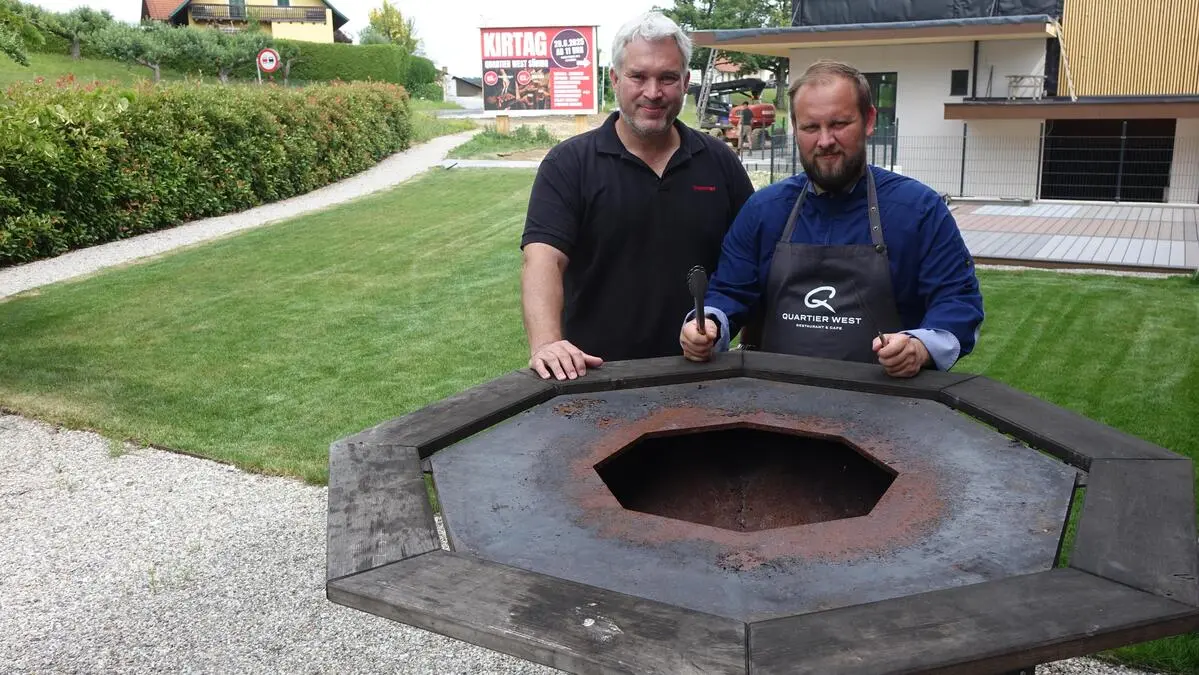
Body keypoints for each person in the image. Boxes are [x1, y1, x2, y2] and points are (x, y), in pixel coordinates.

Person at [679, 59, 983, 378]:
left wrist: (919, 347)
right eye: (811, 127)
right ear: (796, 130)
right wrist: (709, 324)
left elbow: (958, 302)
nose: (825, 141)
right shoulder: (764, 210)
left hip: (889, 408)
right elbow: (729, 291)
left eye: (838, 124)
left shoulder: (919, 210)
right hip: (775, 404)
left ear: (868, 121)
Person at [520, 11, 755, 381]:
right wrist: (547, 343)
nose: (653, 92)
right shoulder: (569, 164)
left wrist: (735, 334)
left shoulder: (719, 163)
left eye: (667, 78)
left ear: (686, 82)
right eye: (638, 76)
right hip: (595, 379)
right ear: (615, 79)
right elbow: (543, 262)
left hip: (702, 378)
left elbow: (751, 262)